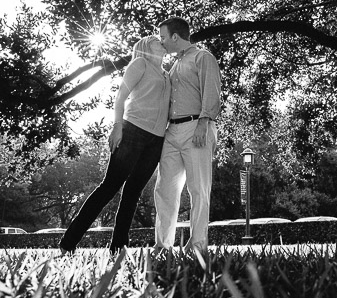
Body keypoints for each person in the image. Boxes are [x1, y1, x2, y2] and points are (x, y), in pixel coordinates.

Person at [59, 36, 170, 255]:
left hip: (155, 140)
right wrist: (117, 126)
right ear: (147, 47)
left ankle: (118, 247)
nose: (162, 42)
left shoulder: (167, 74)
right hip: (132, 131)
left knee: (133, 193)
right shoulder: (140, 64)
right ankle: (68, 243)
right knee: (109, 187)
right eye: (158, 41)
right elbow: (121, 96)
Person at [154, 17, 221, 256]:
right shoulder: (173, 67)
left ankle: (198, 246)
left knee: (198, 188)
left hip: (197, 127)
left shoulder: (203, 58)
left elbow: (212, 93)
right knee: (164, 189)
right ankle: (162, 245)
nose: (161, 42)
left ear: (175, 36)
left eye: (163, 37)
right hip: (171, 132)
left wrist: (204, 123)